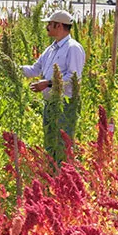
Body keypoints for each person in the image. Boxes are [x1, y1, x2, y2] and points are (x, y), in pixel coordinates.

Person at [21, 10, 86, 164]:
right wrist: (11, 66)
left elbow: (74, 77)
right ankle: (52, 176)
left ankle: (64, 176)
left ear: (59, 25)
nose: (47, 27)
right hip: (50, 103)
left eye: (50, 24)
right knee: (50, 142)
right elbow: (35, 69)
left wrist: (48, 83)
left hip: (65, 104)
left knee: (63, 143)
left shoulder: (73, 48)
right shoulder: (51, 49)